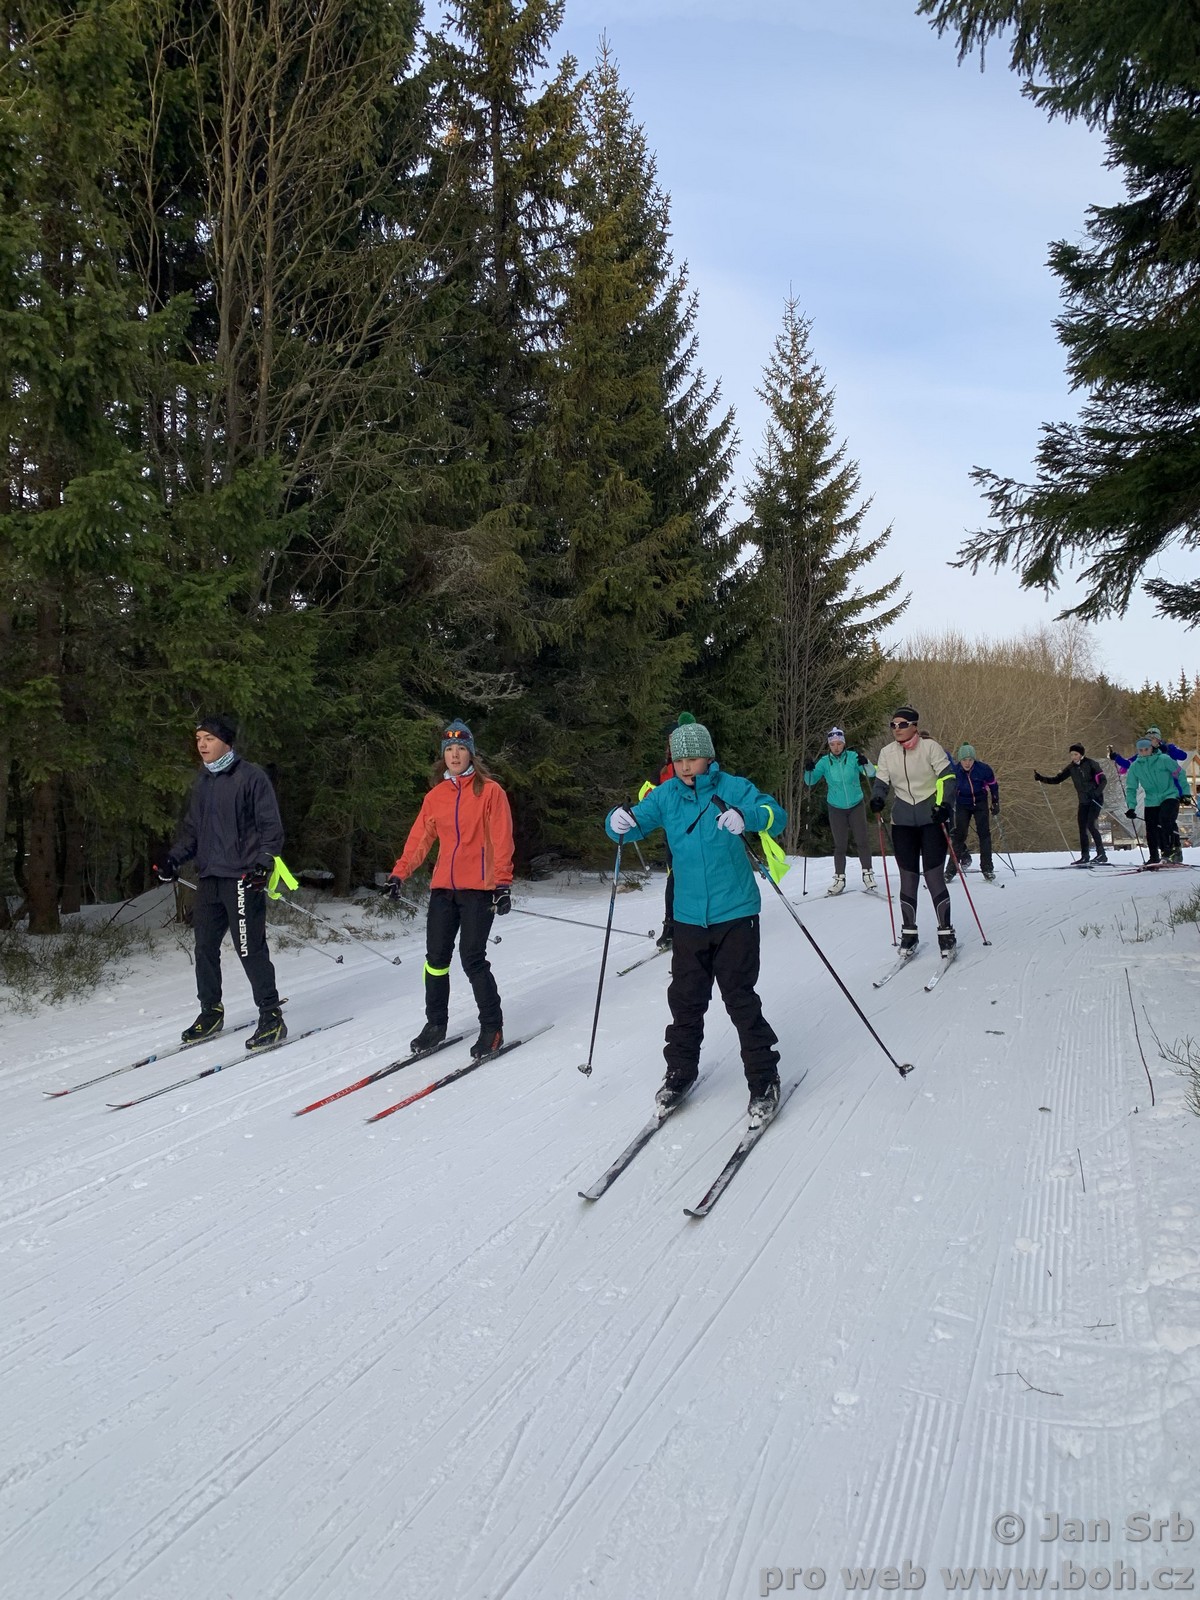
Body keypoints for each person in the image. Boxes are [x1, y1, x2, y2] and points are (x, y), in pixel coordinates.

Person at [605, 717, 787, 1128]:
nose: (686, 766)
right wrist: (615, 823)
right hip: (688, 917)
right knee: (686, 999)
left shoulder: (733, 788)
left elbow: (776, 814)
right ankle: (680, 1072)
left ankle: (763, 1078)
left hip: (736, 911)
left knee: (739, 997)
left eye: (693, 758)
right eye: (679, 759)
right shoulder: (667, 795)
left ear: (709, 757)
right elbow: (631, 824)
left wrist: (746, 817)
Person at [155, 716, 287, 1050]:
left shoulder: (251, 777)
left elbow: (271, 829)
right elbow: (192, 832)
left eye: (209, 738)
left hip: (243, 878)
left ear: (226, 742)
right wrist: (173, 859)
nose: (202, 744)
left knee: (249, 949)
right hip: (210, 878)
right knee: (204, 948)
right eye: (198, 738)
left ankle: (271, 1017)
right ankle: (210, 1012)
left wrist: (263, 865)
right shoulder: (203, 781)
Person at [386, 720, 514, 1059]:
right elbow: (419, 840)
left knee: (472, 958)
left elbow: (502, 839)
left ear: (471, 753)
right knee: (436, 959)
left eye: (460, 749)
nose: (455, 755)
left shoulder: (490, 792)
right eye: (449, 750)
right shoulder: (436, 797)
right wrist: (399, 874)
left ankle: (492, 1026)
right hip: (444, 889)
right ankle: (435, 1024)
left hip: (479, 890)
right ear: (443, 755)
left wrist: (502, 883)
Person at [869, 705, 956, 957]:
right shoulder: (887, 753)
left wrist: (944, 805)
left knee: (933, 875)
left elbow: (947, 778)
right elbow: (881, 781)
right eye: (893, 725)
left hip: (931, 818)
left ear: (914, 726)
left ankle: (946, 932)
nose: (897, 729)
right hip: (903, 821)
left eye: (902, 724)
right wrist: (877, 798)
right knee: (908, 877)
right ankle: (909, 933)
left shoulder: (930, 748)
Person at [802, 726, 876, 894]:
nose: (836, 747)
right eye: (832, 744)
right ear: (829, 745)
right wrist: (808, 769)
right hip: (836, 807)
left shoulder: (853, 757)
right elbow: (810, 781)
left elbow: (871, 773)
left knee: (862, 841)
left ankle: (868, 874)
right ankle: (839, 879)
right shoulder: (824, 762)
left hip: (856, 804)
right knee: (840, 845)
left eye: (839, 743)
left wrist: (866, 762)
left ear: (844, 743)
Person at [1110, 728, 1190, 862]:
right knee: (1151, 827)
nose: (1143, 752)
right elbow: (1131, 788)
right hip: (1151, 799)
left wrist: (1186, 793)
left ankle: (1170, 850)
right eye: (1140, 750)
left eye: (1146, 749)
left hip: (1170, 794)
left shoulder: (1164, 758)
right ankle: (1154, 856)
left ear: (1152, 747)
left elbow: (1180, 771)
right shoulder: (1136, 765)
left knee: (1165, 820)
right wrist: (1131, 807)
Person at [1034, 744, 1107, 865]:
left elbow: (1103, 780)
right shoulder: (1071, 767)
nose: (1073, 757)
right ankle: (1085, 856)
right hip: (1083, 801)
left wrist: (1096, 792)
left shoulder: (1091, 764)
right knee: (1082, 828)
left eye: (1076, 754)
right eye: (1072, 754)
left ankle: (1101, 854)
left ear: (1081, 754)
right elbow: (1057, 779)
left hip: (1095, 799)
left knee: (1091, 824)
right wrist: (1041, 778)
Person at [947, 744, 999, 883]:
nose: (967, 763)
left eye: (970, 760)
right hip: (963, 804)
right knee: (959, 836)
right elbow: (948, 788)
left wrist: (995, 801)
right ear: (960, 760)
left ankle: (987, 869)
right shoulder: (955, 771)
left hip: (980, 802)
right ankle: (950, 871)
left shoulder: (983, 769)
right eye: (964, 760)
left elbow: (993, 785)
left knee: (984, 834)